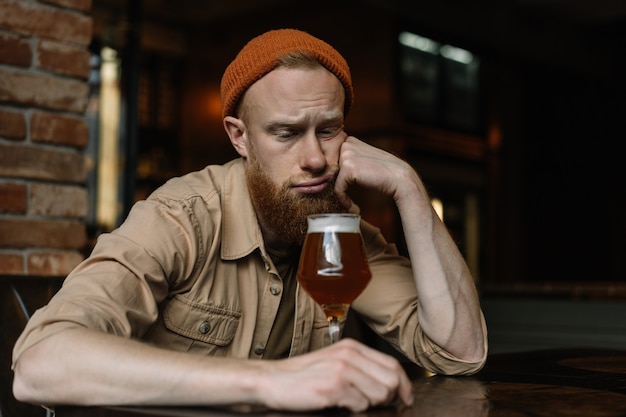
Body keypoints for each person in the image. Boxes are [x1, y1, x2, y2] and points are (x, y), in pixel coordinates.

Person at [12, 28, 487, 413]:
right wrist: (271, 381)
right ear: (239, 137)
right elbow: (41, 363)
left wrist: (409, 187)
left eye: (329, 130)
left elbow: (461, 353)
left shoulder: (339, 232)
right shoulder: (182, 217)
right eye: (286, 133)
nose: (316, 159)